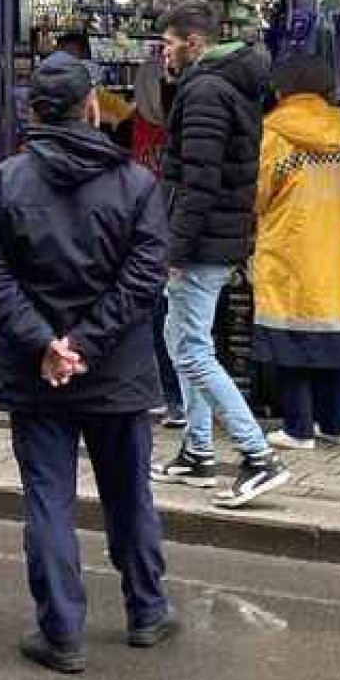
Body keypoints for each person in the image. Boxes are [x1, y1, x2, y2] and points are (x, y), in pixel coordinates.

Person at [0, 57, 177, 675]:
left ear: (33, 113)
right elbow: (145, 278)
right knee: (129, 493)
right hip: (116, 369)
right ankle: (147, 610)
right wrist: (87, 342)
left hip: (38, 374)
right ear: (91, 108)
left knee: (48, 501)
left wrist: (46, 345)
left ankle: (62, 632)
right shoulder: (135, 184)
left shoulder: (0, 185)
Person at [150, 0, 288, 509]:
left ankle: (258, 457)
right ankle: (198, 452)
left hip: (202, 240)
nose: (163, 55)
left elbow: (199, 181)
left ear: (194, 42)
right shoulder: (227, 84)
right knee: (181, 334)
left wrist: (173, 247)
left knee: (191, 348)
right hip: (216, 236)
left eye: (167, 45)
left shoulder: (206, 90)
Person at [253, 54, 340, 450]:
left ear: (281, 88)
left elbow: (258, 194)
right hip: (337, 242)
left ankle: (297, 428)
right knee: (334, 333)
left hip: (290, 246)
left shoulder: (275, 132)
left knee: (290, 337)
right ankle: (336, 425)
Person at [131, 58, 185, 430]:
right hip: (152, 235)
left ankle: (177, 400)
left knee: (168, 322)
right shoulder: (133, 127)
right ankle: (172, 398)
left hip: (167, 237)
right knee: (161, 320)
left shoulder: (186, 128)